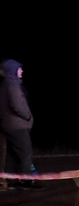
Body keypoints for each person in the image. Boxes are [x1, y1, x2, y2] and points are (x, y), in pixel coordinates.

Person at [1, 58, 37, 189]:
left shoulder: (7, 84)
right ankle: (27, 182)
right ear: (12, 71)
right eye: (19, 69)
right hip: (17, 126)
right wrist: (27, 116)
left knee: (12, 155)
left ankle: (11, 182)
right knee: (25, 153)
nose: (21, 71)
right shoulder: (12, 84)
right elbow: (17, 105)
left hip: (9, 125)